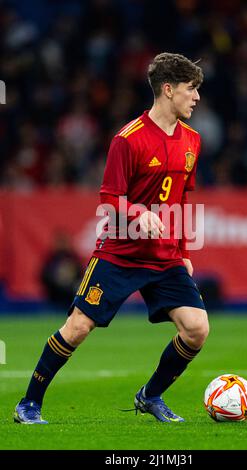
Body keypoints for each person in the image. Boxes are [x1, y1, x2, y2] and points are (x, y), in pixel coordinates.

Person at [14, 52, 209, 424]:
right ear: (167, 90)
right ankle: (29, 404)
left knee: (197, 328)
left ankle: (150, 396)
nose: (196, 97)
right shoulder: (128, 139)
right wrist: (139, 212)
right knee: (77, 327)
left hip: (165, 257)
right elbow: (109, 197)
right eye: (191, 89)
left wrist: (183, 251)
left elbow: (183, 198)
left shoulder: (193, 141)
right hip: (120, 252)